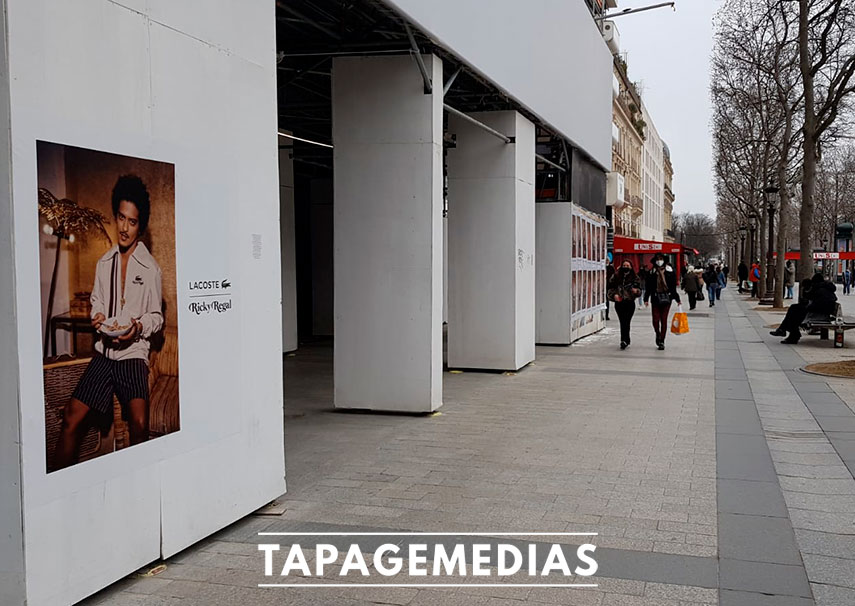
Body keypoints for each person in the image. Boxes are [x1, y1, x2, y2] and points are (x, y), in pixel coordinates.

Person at [53, 175, 164, 470]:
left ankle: (136, 490)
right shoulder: (104, 264)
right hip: (104, 355)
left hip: (132, 356)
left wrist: (138, 328)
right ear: (116, 216)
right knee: (70, 418)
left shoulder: (150, 268)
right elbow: (97, 304)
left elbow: (156, 317)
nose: (125, 228)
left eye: (132, 221)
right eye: (121, 218)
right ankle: (59, 488)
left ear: (140, 225)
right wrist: (97, 317)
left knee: (140, 424)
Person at [770, 273, 837, 344]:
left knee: (794, 313)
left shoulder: (821, 290)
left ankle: (789, 333)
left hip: (819, 314)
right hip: (819, 312)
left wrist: (807, 306)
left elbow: (819, 305)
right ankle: (785, 331)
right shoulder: (823, 288)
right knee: (794, 309)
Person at [644, 252, 681, 350]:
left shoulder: (670, 272)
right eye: (657, 259)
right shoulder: (651, 272)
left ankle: (662, 340)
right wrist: (646, 298)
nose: (659, 261)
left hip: (667, 298)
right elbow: (648, 287)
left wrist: (677, 299)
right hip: (655, 298)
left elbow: (673, 287)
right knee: (655, 319)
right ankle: (657, 333)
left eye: (661, 259)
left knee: (664, 320)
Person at [608, 260, 642, 350]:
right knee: (622, 321)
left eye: (627, 265)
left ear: (631, 267)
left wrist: (636, 291)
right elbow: (610, 288)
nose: (626, 267)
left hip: (630, 302)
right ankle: (624, 340)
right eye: (624, 265)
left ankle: (626, 339)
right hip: (619, 302)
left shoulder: (635, 277)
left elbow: (640, 290)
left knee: (627, 321)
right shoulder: (616, 276)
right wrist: (614, 295)